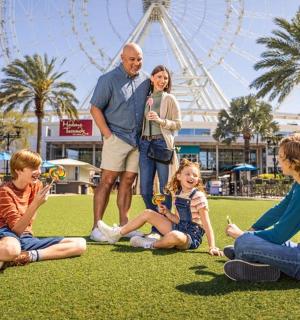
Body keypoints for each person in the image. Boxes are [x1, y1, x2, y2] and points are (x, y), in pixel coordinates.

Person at [90, 42, 150, 242]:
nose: (136, 63)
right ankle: (96, 226)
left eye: (139, 59)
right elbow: (95, 108)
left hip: (137, 140)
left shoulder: (145, 81)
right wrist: (108, 135)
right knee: (107, 180)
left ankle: (125, 225)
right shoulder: (108, 79)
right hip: (116, 137)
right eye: (131, 59)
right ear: (122, 59)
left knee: (128, 182)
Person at [97, 159, 223, 254]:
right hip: (178, 227)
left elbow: (206, 224)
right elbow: (179, 220)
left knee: (174, 236)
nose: (191, 177)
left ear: (198, 180)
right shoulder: (178, 194)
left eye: (195, 175)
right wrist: (167, 213)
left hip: (190, 236)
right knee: (147, 213)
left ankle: (151, 244)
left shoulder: (199, 196)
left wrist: (212, 246)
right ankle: (117, 234)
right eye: (188, 174)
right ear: (179, 176)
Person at [224, 133, 300, 282]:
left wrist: (242, 236)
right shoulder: (297, 184)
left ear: (292, 161)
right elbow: (279, 209)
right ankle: (257, 260)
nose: (278, 161)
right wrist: (253, 229)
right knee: (246, 241)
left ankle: (250, 255)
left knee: (244, 243)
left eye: (280, 156)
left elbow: (279, 235)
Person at [0, 150, 86, 270]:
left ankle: (28, 256)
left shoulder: (36, 185)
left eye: (39, 167)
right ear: (18, 170)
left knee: (80, 244)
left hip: (26, 238)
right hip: (7, 234)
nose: (39, 172)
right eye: (33, 168)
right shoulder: (4, 191)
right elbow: (16, 231)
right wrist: (35, 204)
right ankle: (10, 254)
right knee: (11, 248)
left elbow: (26, 228)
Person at [139, 65, 181, 236]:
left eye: (165, 78)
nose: (162, 80)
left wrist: (161, 120)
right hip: (145, 144)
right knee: (145, 188)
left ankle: (160, 227)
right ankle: (157, 220)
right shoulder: (145, 98)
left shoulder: (169, 98)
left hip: (162, 143)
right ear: (152, 78)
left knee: (165, 187)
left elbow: (178, 124)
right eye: (159, 77)